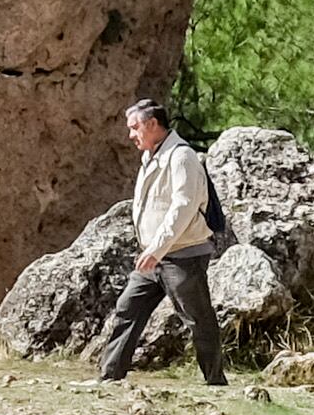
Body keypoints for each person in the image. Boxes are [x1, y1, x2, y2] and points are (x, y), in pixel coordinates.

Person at [91, 100, 228, 386]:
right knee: (128, 307)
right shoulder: (151, 157)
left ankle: (216, 383)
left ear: (153, 124)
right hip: (153, 256)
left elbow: (184, 206)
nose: (131, 135)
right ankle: (110, 377)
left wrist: (156, 249)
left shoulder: (182, 157)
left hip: (182, 254)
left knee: (197, 318)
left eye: (135, 127)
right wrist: (152, 250)